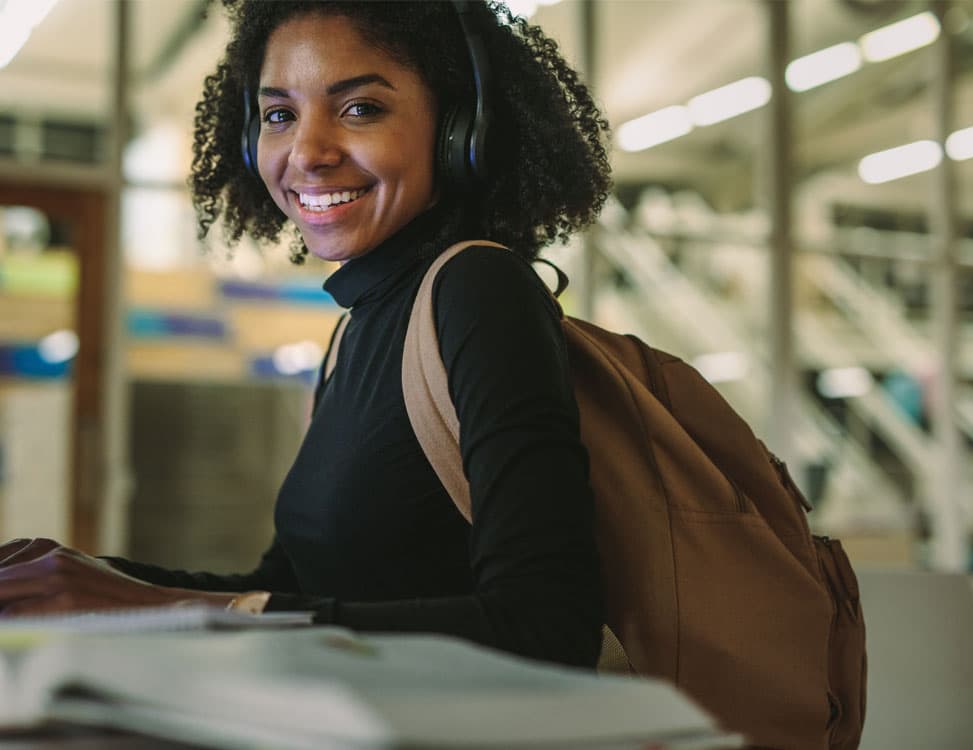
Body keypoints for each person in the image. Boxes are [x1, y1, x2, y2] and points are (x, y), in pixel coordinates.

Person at [0, 0, 612, 669]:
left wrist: (177, 611)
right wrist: (85, 582)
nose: (307, 154)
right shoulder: (356, 329)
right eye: (280, 115)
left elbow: (548, 628)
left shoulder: (479, 292)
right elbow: (290, 592)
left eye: (359, 109)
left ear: (461, 128)